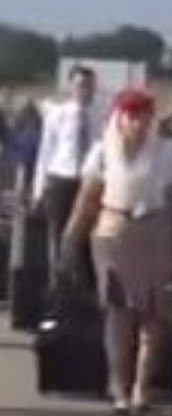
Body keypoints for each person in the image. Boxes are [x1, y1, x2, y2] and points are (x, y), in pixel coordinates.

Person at [58, 88, 172, 416]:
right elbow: (87, 200)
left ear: (151, 119)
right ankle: (118, 387)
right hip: (112, 232)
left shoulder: (169, 153)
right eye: (129, 115)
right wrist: (70, 239)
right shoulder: (103, 152)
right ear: (119, 117)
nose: (136, 122)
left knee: (152, 316)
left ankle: (141, 389)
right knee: (118, 313)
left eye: (142, 115)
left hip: (154, 232)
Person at [34, 65, 107, 282]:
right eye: (80, 86)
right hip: (61, 178)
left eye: (89, 86)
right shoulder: (57, 115)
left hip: (90, 182)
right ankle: (58, 284)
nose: (85, 90)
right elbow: (45, 152)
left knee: (88, 235)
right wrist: (39, 189)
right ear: (71, 87)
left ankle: (85, 286)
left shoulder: (102, 115)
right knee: (58, 235)